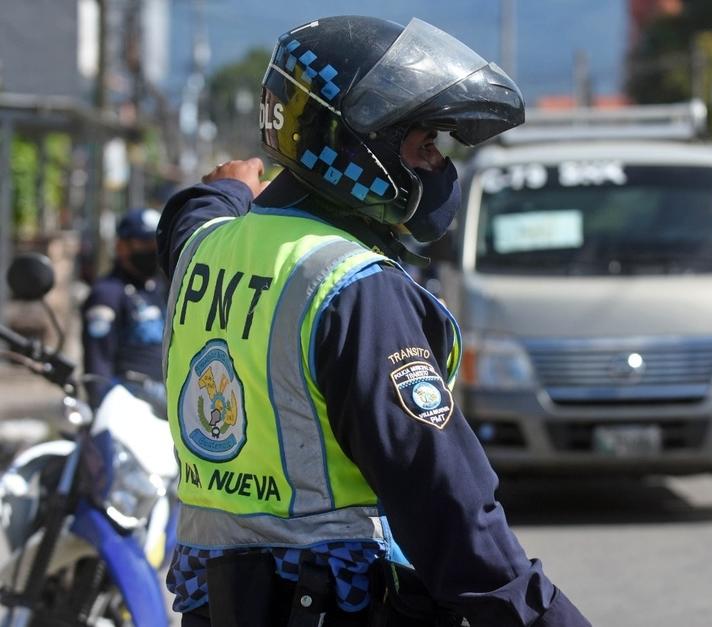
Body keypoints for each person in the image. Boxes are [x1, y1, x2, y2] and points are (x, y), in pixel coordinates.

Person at [157, 15, 590, 627]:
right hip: (340, 605)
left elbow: (190, 214)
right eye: (424, 146)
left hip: (220, 605)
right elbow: (448, 508)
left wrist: (231, 190)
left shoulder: (205, 250)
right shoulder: (352, 288)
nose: (440, 167)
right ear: (356, 151)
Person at [81, 207, 167, 408]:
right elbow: (98, 361)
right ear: (121, 247)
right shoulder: (108, 293)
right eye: (144, 243)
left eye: (156, 242)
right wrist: (102, 405)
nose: (152, 249)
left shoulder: (159, 287)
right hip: (130, 400)